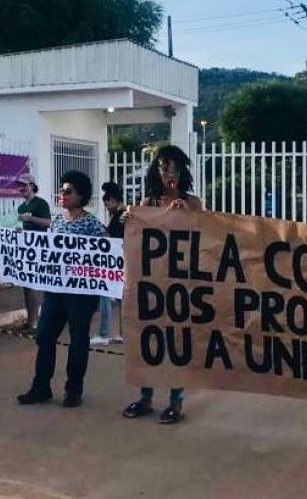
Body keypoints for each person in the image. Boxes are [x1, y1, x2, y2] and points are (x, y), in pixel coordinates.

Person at [122, 144, 204, 425]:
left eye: (174, 168)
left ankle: (175, 402)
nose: (169, 172)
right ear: (156, 172)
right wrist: (128, 222)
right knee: (150, 341)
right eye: (163, 167)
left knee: (176, 343)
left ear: (182, 171)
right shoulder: (147, 204)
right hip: (151, 284)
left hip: (180, 285)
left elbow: (206, 238)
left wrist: (188, 218)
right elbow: (135, 243)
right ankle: (146, 398)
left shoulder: (192, 203)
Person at [17, 171, 107, 408]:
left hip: (81, 295)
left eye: (69, 192)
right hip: (56, 292)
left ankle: (73, 390)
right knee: (45, 336)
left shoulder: (92, 224)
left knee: (78, 341)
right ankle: (41, 387)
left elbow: (109, 252)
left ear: (81, 196)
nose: (63, 195)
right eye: (62, 190)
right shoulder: (57, 221)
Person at [91, 182, 126, 347]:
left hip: (116, 262)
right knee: (119, 299)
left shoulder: (122, 215)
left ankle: (105, 333)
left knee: (106, 295)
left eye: (107, 204)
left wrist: (103, 232)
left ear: (113, 200)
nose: (106, 208)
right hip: (117, 262)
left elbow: (115, 238)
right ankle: (121, 333)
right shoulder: (121, 214)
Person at [15, 173, 51, 329]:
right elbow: (25, 228)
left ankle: (40, 322)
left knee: (37, 287)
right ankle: (31, 320)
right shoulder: (21, 207)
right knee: (26, 286)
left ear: (32, 185)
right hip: (26, 251)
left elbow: (47, 222)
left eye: (24, 185)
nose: (21, 188)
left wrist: (31, 219)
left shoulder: (40, 204)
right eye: (19, 185)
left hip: (39, 249)